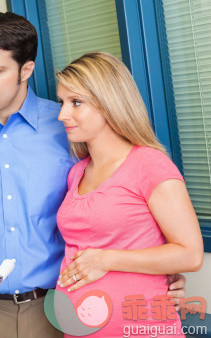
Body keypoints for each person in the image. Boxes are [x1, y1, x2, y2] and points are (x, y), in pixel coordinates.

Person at [0, 12, 188, 338]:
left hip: (60, 311)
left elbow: (114, 208)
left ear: (26, 70)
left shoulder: (69, 128)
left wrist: (161, 273)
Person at [55, 52, 203, 337]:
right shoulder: (78, 172)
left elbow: (191, 254)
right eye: (62, 102)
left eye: (76, 102)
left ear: (109, 104)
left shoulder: (149, 165)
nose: (62, 114)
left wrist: (106, 259)